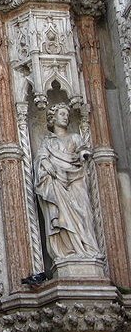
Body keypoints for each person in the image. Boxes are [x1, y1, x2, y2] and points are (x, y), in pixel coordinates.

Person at [34, 103, 100, 260]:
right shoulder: (48, 142)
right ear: (53, 117)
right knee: (62, 216)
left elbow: (83, 149)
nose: (65, 117)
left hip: (76, 178)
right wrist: (46, 164)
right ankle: (68, 252)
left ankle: (87, 249)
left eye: (67, 115)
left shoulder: (75, 137)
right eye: (62, 114)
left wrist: (84, 155)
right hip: (57, 181)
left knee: (84, 212)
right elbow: (41, 158)